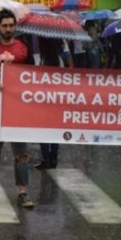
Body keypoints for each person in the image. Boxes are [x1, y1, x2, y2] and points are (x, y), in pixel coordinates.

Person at [0, 8, 34, 209]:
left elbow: (32, 75)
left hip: (18, 108)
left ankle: (23, 192)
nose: (8, 29)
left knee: (20, 150)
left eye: (11, 25)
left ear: (15, 26)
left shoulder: (24, 47)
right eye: (5, 26)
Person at [36, 36, 70, 170]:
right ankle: (53, 157)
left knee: (43, 128)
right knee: (55, 127)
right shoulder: (60, 56)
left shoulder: (43, 59)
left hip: (44, 98)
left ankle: (45, 158)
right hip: (58, 98)